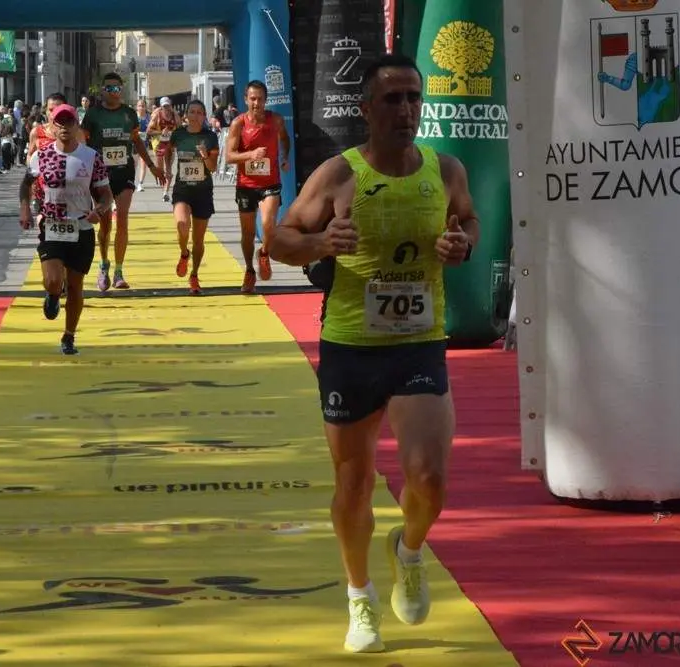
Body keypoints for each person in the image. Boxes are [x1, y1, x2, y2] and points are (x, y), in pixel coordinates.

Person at [268, 54, 479, 654]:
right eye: (391, 99)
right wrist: (318, 243)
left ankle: (408, 551)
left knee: (430, 481)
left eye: (413, 97)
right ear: (365, 110)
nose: (406, 109)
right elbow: (279, 239)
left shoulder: (446, 169)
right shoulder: (339, 175)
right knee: (354, 484)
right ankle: (360, 599)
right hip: (351, 346)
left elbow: (469, 221)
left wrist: (461, 242)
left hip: (418, 341)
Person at [19, 104, 113, 355]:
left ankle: (69, 335)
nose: (64, 128)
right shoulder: (42, 155)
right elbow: (25, 184)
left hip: (81, 228)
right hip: (52, 225)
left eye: (68, 122)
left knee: (75, 286)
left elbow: (106, 196)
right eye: (59, 123)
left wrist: (99, 211)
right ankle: (51, 294)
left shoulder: (91, 157)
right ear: (52, 126)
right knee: (53, 280)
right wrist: (25, 209)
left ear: (76, 126)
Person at [81, 73, 166, 292]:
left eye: (117, 88)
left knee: (123, 220)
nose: (113, 92)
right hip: (100, 176)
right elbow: (82, 142)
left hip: (124, 171)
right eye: (109, 88)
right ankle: (103, 265)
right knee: (106, 224)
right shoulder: (93, 115)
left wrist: (153, 166)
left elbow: (137, 142)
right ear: (102, 91)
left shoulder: (129, 114)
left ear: (122, 89)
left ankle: (118, 270)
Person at [226, 80, 291, 294]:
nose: (256, 103)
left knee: (268, 223)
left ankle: (264, 252)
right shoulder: (239, 123)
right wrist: (251, 155)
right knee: (247, 233)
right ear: (246, 99)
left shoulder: (276, 120)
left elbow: (285, 139)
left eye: (260, 99)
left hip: (270, 183)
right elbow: (229, 156)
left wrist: (284, 157)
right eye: (252, 99)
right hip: (246, 185)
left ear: (266, 100)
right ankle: (249, 270)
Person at [168, 100, 220, 295]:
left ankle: (195, 274)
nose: (195, 115)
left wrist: (205, 156)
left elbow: (213, 168)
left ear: (204, 116)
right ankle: (184, 253)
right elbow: (167, 151)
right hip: (182, 190)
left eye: (199, 112)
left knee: (198, 239)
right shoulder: (179, 134)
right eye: (192, 112)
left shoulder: (210, 137)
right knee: (182, 224)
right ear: (186, 115)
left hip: (203, 192)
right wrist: (167, 169)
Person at [147, 97, 181, 203]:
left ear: (171, 105)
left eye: (168, 106)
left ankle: (165, 193)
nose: (167, 108)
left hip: (170, 145)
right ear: (161, 107)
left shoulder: (174, 115)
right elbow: (149, 130)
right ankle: (164, 188)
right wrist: (161, 132)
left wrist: (174, 134)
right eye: (164, 106)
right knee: (161, 170)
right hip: (159, 144)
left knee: (168, 170)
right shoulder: (157, 115)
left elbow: (180, 129)